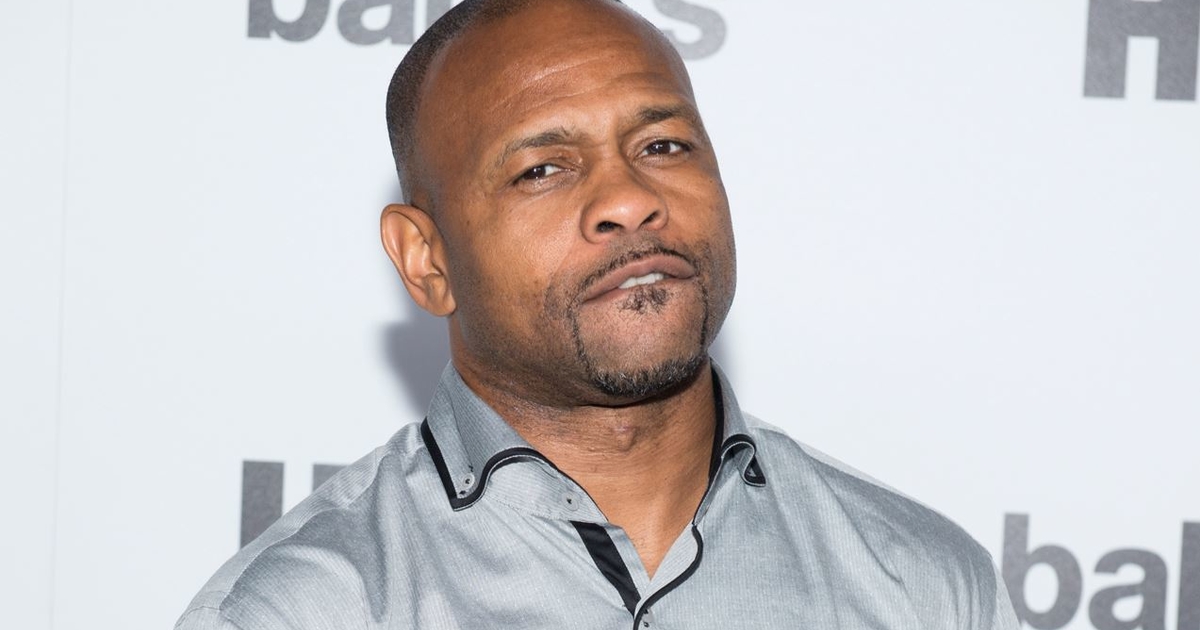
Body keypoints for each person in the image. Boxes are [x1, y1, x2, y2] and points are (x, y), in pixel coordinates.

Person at [176, 0, 1019, 628]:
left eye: (662, 146)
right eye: (542, 169)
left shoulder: (927, 587)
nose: (627, 198)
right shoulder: (303, 609)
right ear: (427, 260)